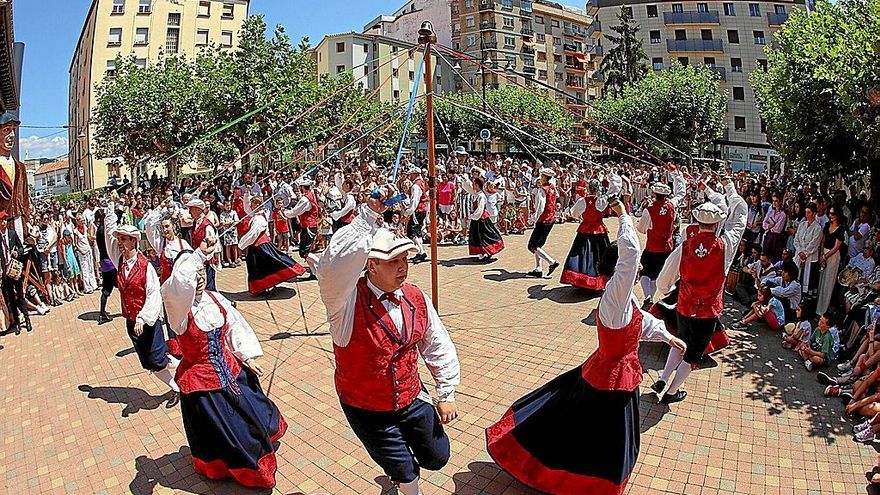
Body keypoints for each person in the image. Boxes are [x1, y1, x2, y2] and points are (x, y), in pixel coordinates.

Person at [486, 198, 686, 495]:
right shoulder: (614, 297)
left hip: (617, 375)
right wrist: (624, 216)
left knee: (587, 433)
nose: (639, 265)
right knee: (603, 441)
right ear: (619, 270)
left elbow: (640, 321)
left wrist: (667, 336)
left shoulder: (622, 300)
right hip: (611, 381)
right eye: (631, 266)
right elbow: (630, 255)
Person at [313, 185, 460, 495]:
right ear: (372, 265)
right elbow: (332, 269)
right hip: (366, 405)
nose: (403, 266)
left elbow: (436, 342)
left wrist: (445, 391)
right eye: (393, 260)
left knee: (438, 456)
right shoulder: (345, 303)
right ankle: (405, 481)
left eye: (405, 257)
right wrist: (367, 217)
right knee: (404, 470)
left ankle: (403, 462)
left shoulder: (415, 296)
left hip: (411, 396)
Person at [161, 241, 287, 488]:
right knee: (227, 433)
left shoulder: (215, 299)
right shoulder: (177, 309)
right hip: (201, 383)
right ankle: (240, 468)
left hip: (229, 369)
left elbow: (234, 327)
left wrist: (246, 356)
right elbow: (176, 286)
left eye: (201, 272)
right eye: (193, 274)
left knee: (254, 410)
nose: (198, 278)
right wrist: (196, 255)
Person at [652, 178, 747, 404]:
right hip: (707, 310)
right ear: (717, 224)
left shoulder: (686, 243)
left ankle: (664, 378)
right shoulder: (726, 246)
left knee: (680, 340)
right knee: (694, 353)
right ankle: (672, 391)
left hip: (684, 304)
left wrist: (663, 289)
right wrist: (729, 187)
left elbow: (668, 271)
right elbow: (741, 213)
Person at [104, 205, 180, 407]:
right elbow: (108, 239)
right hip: (131, 322)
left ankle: (183, 380)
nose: (119, 243)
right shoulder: (120, 261)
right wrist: (109, 212)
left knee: (158, 360)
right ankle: (178, 387)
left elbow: (154, 295)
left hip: (148, 321)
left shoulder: (145, 265)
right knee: (150, 363)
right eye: (119, 239)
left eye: (123, 239)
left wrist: (142, 317)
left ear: (133, 241)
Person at [559, 176, 619, 290]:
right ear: (597, 189)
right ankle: (601, 280)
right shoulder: (601, 201)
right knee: (601, 255)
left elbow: (574, 214)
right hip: (599, 230)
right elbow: (614, 190)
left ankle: (582, 280)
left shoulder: (582, 201)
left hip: (585, 230)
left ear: (588, 188)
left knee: (581, 255)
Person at [636, 168, 685, 306]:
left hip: (652, 247)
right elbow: (681, 192)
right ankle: (650, 297)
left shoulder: (649, 210)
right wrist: (676, 174)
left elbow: (641, 230)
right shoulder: (672, 205)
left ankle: (647, 297)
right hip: (667, 247)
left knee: (645, 272)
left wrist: (641, 218)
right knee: (658, 274)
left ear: (654, 194)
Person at [238, 195, 306, 295]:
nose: (250, 206)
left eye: (252, 204)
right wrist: (247, 193)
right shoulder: (258, 214)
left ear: (257, 205)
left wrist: (241, 245)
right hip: (259, 246)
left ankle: (265, 287)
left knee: (264, 267)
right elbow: (247, 209)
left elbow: (253, 234)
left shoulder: (258, 218)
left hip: (259, 247)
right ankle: (263, 287)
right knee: (263, 267)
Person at [0, 212, 31, 333]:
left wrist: (17, 253)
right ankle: (17, 323)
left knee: (20, 296)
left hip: (15, 269)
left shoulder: (12, 234)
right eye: (1, 221)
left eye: (4, 221)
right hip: (5, 272)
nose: (3, 223)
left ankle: (27, 319)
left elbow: (21, 247)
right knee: (11, 299)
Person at [527, 167, 560, 278]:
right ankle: (538, 268)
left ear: (545, 177)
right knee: (538, 245)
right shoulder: (552, 187)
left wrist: (533, 219)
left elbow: (540, 207)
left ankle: (552, 262)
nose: (540, 178)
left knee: (532, 245)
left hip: (543, 219)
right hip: (550, 219)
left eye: (541, 176)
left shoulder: (542, 190)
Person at [465, 176, 505, 260]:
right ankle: (482, 254)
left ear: (477, 185)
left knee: (483, 237)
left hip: (481, 219)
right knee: (478, 237)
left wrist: (471, 217)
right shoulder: (476, 194)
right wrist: (464, 179)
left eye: (474, 184)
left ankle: (486, 253)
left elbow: (480, 209)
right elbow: (467, 188)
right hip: (477, 219)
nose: (473, 185)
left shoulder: (481, 196)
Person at [816, 206, 846, 315]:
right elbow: (823, 240)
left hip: (833, 256)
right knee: (821, 281)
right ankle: (817, 308)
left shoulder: (841, 229)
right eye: (830, 213)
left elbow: (836, 247)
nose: (830, 216)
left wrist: (825, 256)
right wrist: (821, 255)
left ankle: (823, 311)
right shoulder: (827, 225)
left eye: (833, 214)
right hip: (824, 252)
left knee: (828, 282)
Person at [186, 199, 219, 291]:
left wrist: (205, 259)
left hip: (206, 262)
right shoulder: (195, 223)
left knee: (209, 287)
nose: (189, 212)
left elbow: (212, 245)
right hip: (198, 260)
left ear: (198, 210)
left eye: (191, 209)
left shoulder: (207, 225)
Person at [93, 208, 117, 324]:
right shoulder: (104, 230)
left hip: (104, 262)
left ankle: (102, 313)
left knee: (107, 289)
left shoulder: (99, 230)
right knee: (117, 286)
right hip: (110, 262)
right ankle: (102, 314)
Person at [794, 202, 822, 295]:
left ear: (814, 213)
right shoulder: (802, 224)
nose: (807, 214)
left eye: (809, 212)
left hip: (810, 259)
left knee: (808, 283)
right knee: (798, 279)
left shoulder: (817, 228)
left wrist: (805, 254)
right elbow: (796, 239)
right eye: (806, 212)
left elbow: (814, 244)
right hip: (799, 256)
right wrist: (800, 252)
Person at [402, 166, 429, 263]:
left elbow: (415, 201)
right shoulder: (421, 183)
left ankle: (421, 252)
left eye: (411, 174)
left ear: (415, 174)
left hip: (417, 211)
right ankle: (420, 252)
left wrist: (407, 212)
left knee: (412, 232)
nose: (410, 176)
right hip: (421, 210)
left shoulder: (416, 186)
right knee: (417, 232)